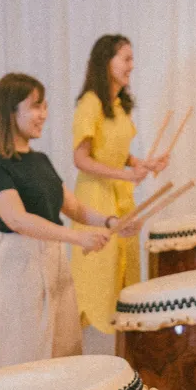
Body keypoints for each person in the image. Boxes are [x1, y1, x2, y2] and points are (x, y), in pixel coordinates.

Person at [0, 72, 139, 367]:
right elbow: (17, 219)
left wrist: (111, 222)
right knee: (25, 356)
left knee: (65, 349)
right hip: (20, 265)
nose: (44, 114)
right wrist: (76, 237)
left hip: (54, 259)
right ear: (10, 111)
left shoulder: (40, 161)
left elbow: (75, 208)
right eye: (36, 107)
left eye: (45, 106)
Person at [70, 34, 166, 334]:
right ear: (106, 62)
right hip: (95, 198)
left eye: (131, 58)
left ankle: (123, 348)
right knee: (102, 276)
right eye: (125, 58)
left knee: (125, 272)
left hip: (120, 196)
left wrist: (140, 164)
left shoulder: (118, 105)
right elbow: (81, 159)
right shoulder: (90, 103)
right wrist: (125, 174)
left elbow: (114, 151)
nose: (131, 66)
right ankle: (95, 349)